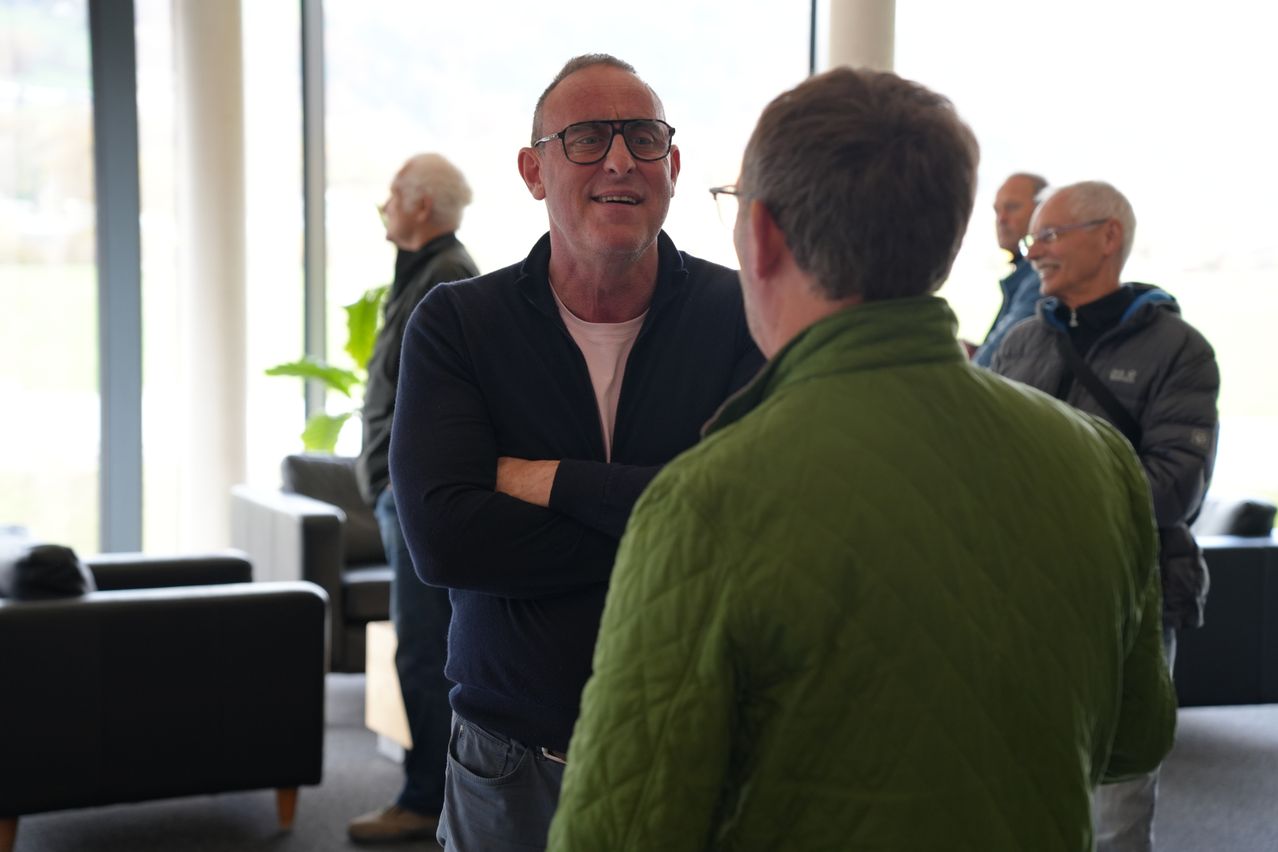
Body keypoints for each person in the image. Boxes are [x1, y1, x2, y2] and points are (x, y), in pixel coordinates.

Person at [546, 67, 1177, 852]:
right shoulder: (1100, 462)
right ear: (942, 245)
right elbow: (1132, 739)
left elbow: (621, 831)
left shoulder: (710, 500)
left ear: (763, 234)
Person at [388, 54, 763, 850]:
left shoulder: (743, 317)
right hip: (512, 756)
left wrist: (552, 482)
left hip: (699, 747)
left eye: (644, 138)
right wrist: (665, 515)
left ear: (673, 166)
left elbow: (752, 527)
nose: (622, 159)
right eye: (588, 137)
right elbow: (446, 540)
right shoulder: (459, 325)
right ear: (534, 170)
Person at [992, 180, 1220, 852]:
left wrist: (1042, 504)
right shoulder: (1021, 343)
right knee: (1015, 791)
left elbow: (1174, 491)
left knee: (1114, 811)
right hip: (1020, 598)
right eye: (1033, 237)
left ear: (1109, 236)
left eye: (1051, 234)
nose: (1035, 250)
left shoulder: (1181, 349)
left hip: (1129, 604)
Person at [348, 153, 479, 844]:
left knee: (424, 651)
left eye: (394, 192)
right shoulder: (424, 274)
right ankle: (431, 789)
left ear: (422, 206)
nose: (385, 204)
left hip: (418, 499)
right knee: (422, 649)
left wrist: (405, 483)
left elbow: (445, 404)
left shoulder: (447, 278)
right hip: (404, 496)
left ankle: (426, 797)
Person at [970, 172, 1047, 367]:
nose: (1001, 219)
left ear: (1043, 211)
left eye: (1012, 207)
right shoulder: (1024, 278)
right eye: (997, 211)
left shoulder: (1041, 280)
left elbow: (990, 366)